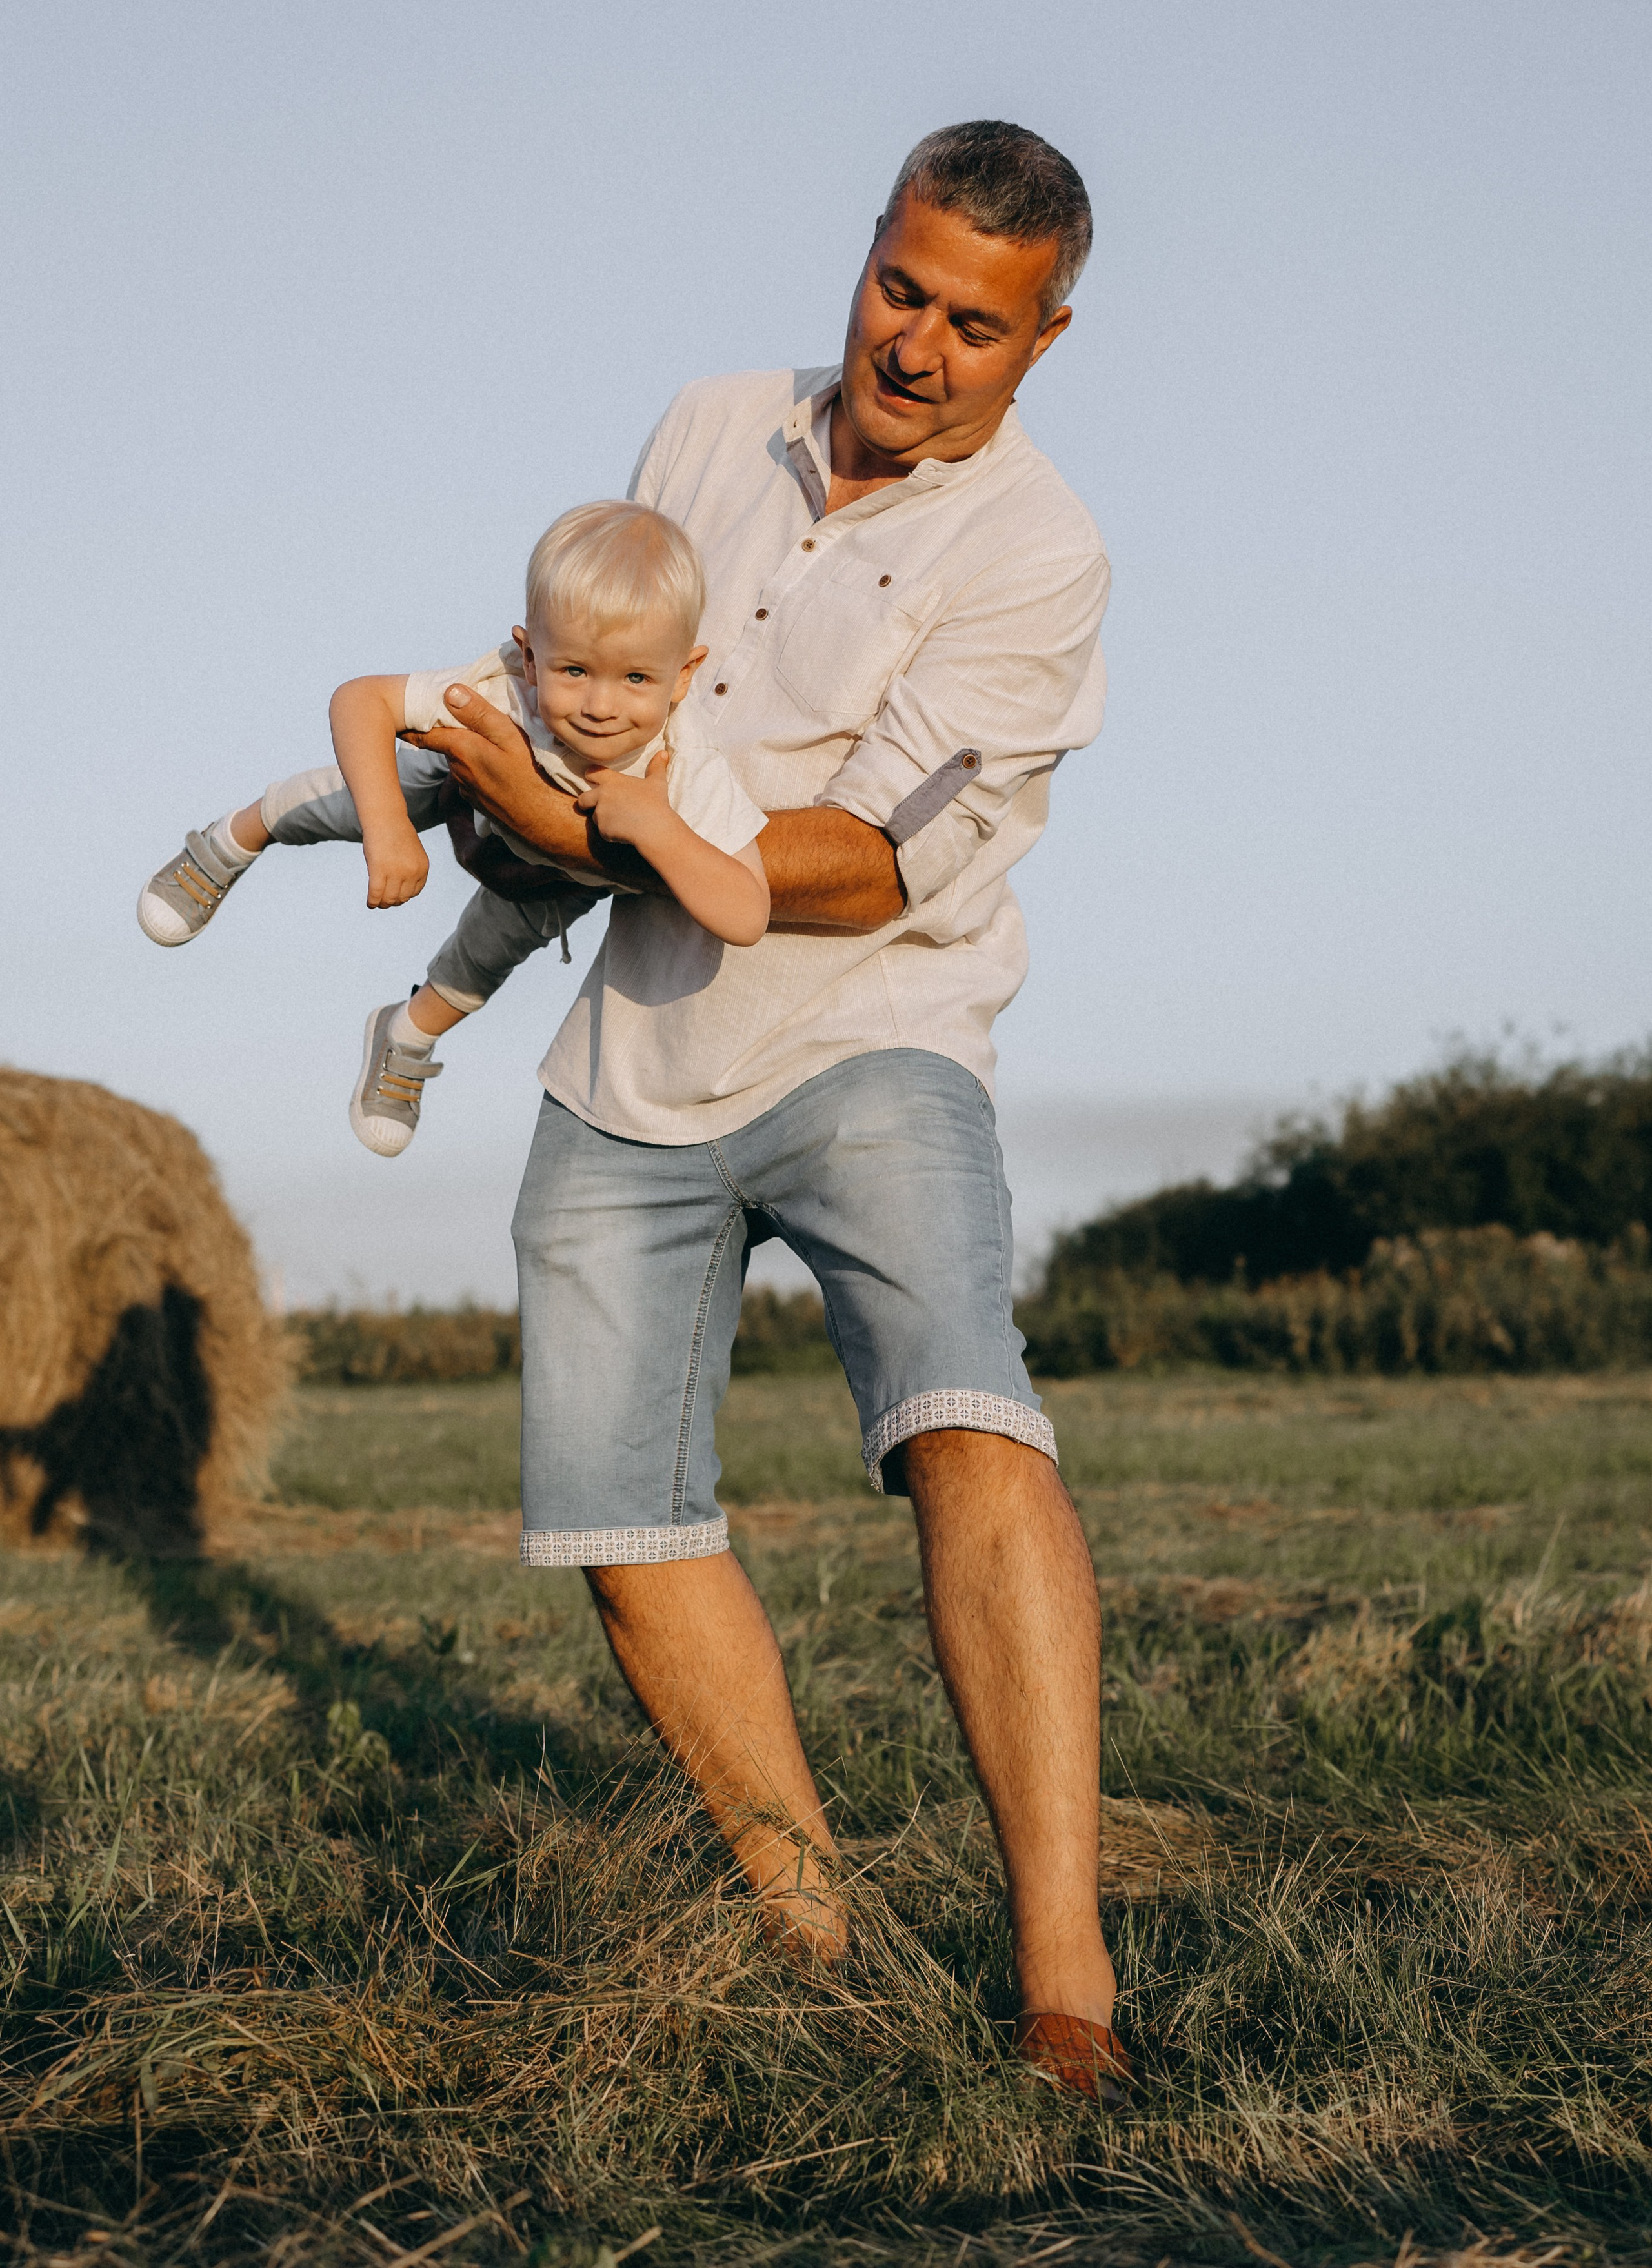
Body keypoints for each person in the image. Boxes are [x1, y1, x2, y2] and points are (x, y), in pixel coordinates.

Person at [408, 121, 1130, 2102]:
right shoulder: (707, 423)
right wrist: (476, 786)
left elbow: (858, 859)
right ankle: (804, 1930)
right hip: (632, 1056)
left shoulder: (1034, 550)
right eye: (902, 288)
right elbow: (605, 683)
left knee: (963, 1421)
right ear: (870, 257)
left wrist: (589, 810)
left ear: (1040, 340)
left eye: (974, 324)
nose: (918, 344)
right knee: (619, 1519)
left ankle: (1061, 1983)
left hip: (870, 1028)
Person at [136, 500, 767, 1155]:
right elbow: (361, 700)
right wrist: (387, 831)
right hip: (455, 783)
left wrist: (661, 829)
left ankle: (405, 1035)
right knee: (364, 794)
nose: (601, 706)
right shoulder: (498, 694)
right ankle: (233, 839)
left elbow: (747, 912)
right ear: (529, 657)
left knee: (488, 953)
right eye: (573, 671)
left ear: (683, 676)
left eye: (636, 678)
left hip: (563, 872)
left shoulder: (686, 767)